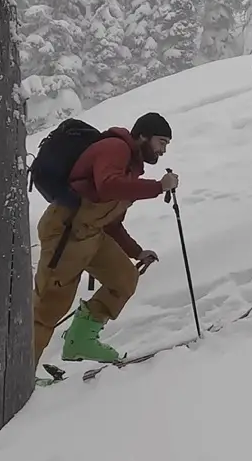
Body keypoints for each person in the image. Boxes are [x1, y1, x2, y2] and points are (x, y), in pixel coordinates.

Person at [31, 112, 178, 366]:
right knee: (49, 307)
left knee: (124, 279)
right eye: (161, 142)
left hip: (92, 234)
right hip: (65, 233)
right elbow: (107, 186)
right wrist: (157, 187)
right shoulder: (115, 147)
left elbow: (110, 221)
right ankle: (20, 377)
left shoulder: (130, 167)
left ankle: (80, 342)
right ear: (143, 135)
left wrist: (136, 252)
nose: (163, 150)